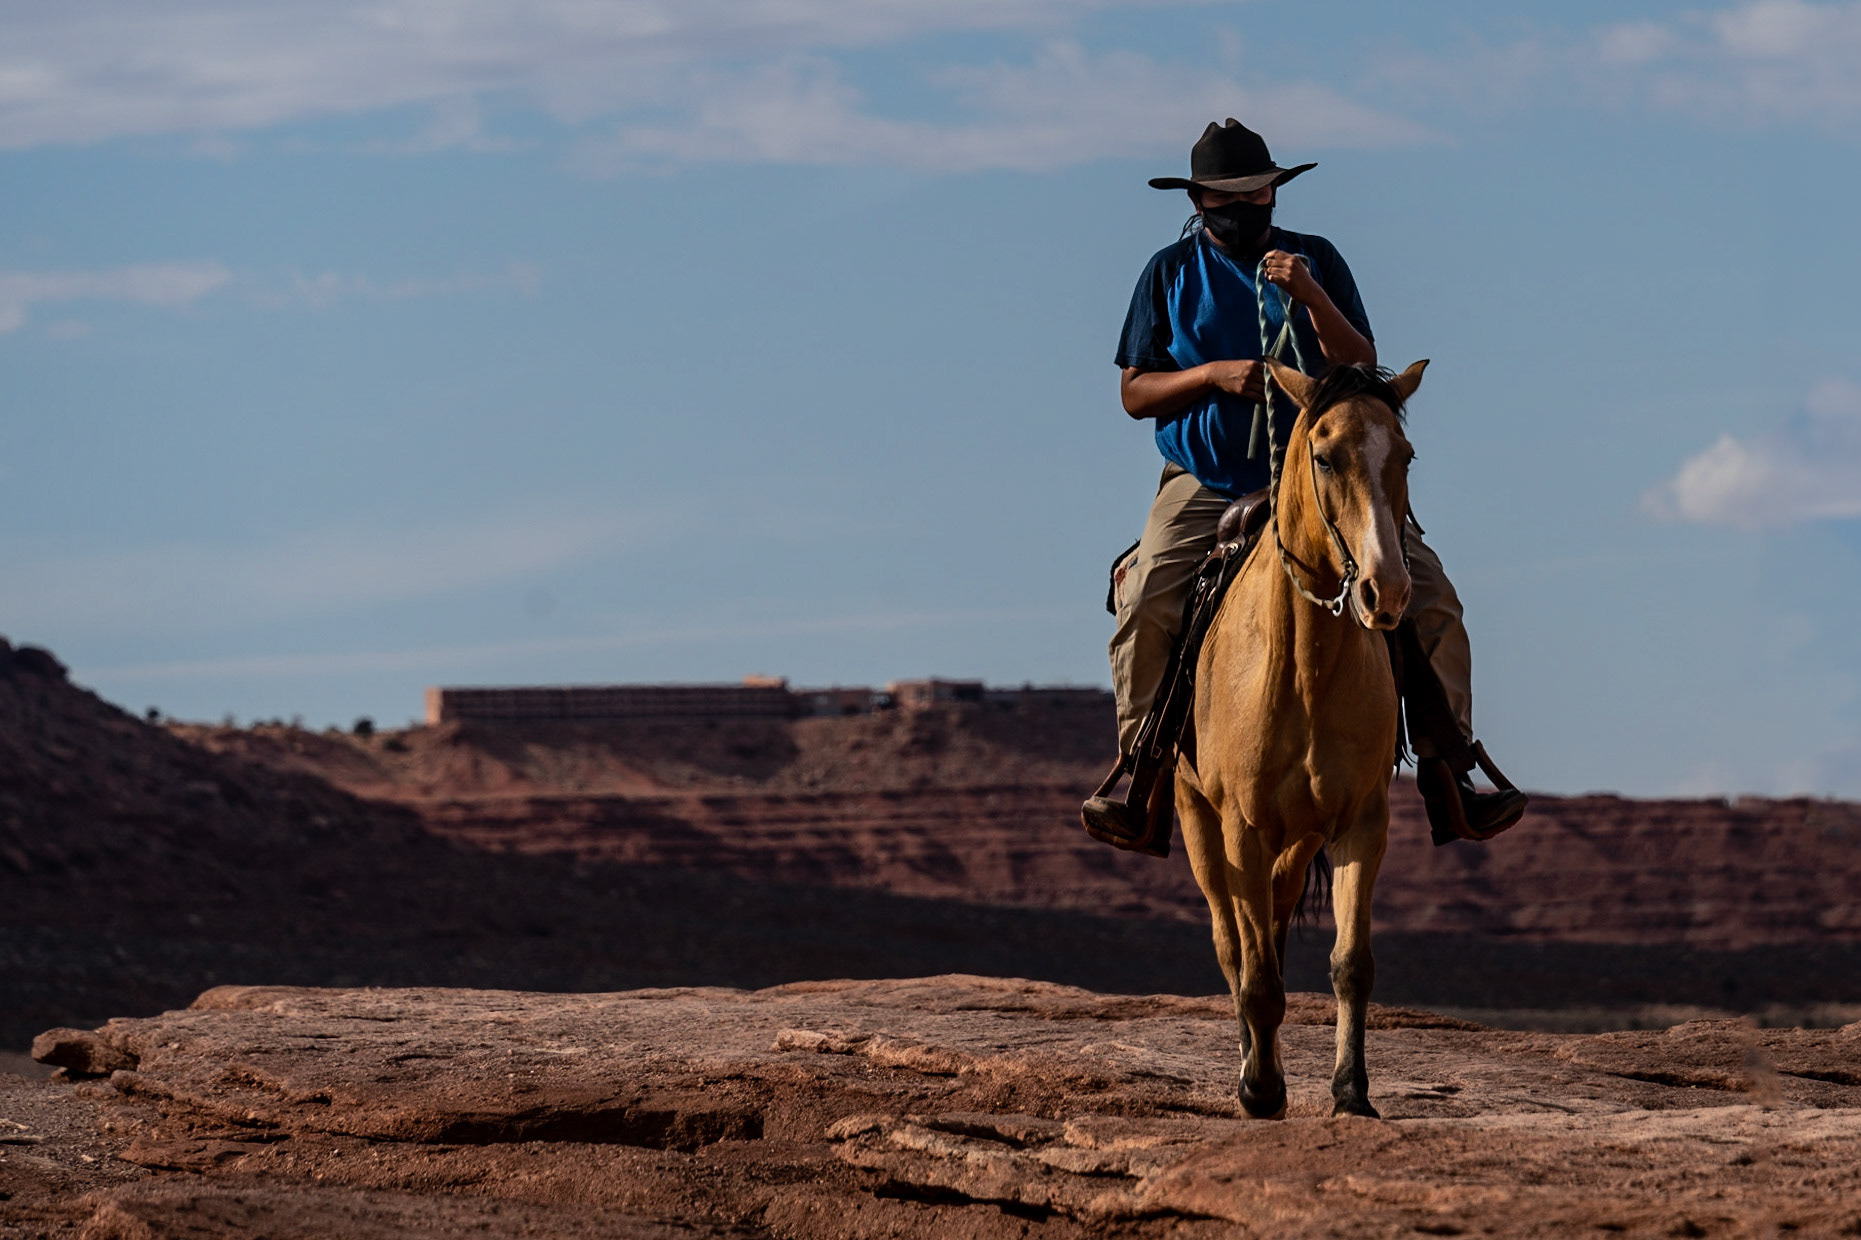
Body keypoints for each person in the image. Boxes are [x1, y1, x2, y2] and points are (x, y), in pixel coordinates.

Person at [1082, 119, 1528, 852]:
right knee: (1148, 592)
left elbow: (1363, 365)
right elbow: (1135, 392)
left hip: (1324, 481)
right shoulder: (1168, 271)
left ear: (1273, 191)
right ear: (1196, 201)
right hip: (1205, 477)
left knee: (1429, 593)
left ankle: (1453, 772)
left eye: (1257, 191)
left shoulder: (1313, 258)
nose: (1245, 205)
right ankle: (1143, 774)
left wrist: (1312, 296)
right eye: (1226, 196)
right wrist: (1212, 376)